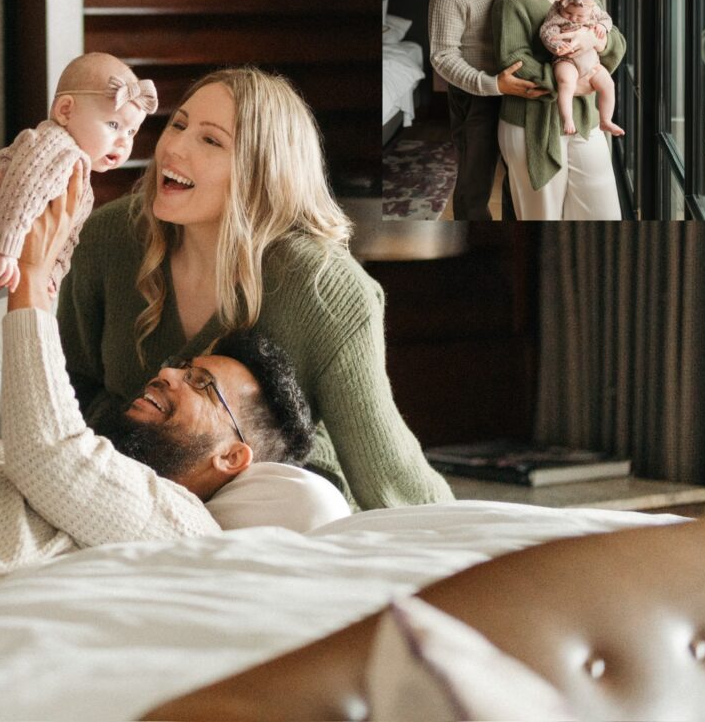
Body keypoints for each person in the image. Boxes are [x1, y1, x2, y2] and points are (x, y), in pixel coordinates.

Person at [57, 67, 453, 510]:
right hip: (124, 483)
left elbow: (388, 473)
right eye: (178, 124)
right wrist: (139, 455)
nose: (173, 148)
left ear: (263, 169)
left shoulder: (327, 291)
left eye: (211, 140)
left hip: (274, 500)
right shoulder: (109, 237)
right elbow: (68, 382)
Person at [0, 166, 316, 602]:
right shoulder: (104, 461)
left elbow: (49, 451)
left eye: (200, 383)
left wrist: (32, 277)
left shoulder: (183, 525)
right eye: (181, 366)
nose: (167, 374)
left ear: (233, 455)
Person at [0, 51, 158, 355]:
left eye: (131, 132)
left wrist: (54, 273)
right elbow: (23, 186)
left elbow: (68, 237)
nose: (124, 142)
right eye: (113, 125)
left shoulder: (83, 186)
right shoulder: (56, 144)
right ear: (65, 111)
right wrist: (9, 245)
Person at [428, 0, 549, 220]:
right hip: (476, 94)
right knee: (475, 182)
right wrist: (494, 84)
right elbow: (442, 56)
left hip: (520, 89)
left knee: (519, 177)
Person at [492, 0, 626, 221]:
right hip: (532, 122)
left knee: (602, 212)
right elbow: (512, 59)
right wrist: (568, 83)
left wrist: (595, 40)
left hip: (586, 120)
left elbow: (614, 38)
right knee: (542, 217)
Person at [539, 0, 624, 137]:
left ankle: (606, 120)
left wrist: (601, 26)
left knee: (608, 84)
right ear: (562, 2)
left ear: (591, 8)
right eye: (569, 13)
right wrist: (556, 46)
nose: (573, 18)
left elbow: (607, 19)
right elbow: (547, 31)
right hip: (566, 59)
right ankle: (568, 119)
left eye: (580, 16)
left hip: (592, 61)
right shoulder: (556, 10)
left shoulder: (595, 10)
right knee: (566, 82)